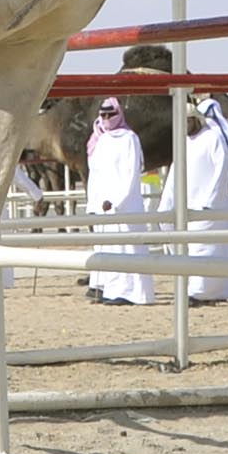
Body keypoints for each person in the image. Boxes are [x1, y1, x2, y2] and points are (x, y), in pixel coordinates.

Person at [178, 97, 228, 305]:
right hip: (223, 203)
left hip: (214, 202)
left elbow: (221, 172)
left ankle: (202, 292)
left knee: (208, 247)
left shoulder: (215, 139)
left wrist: (210, 200)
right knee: (218, 248)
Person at [78, 99, 152, 303]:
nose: (107, 118)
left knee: (128, 248)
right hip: (104, 207)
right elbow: (95, 176)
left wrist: (117, 201)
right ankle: (113, 292)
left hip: (125, 206)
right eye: (103, 115)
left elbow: (131, 173)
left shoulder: (130, 138)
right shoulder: (101, 141)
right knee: (111, 249)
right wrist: (94, 204)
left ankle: (133, 294)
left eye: (111, 114)